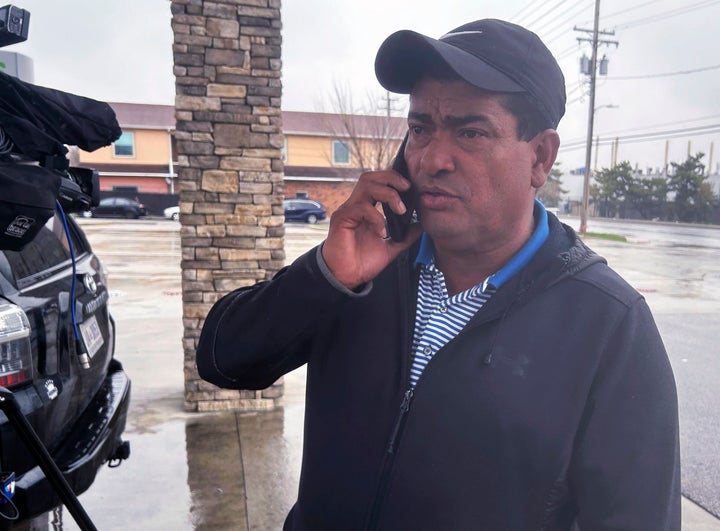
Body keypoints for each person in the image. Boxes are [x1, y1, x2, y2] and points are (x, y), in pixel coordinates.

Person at [196, 19, 680, 530]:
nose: (431, 158)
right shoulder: (362, 271)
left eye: (471, 132)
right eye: (421, 128)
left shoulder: (607, 324)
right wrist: (324, 276)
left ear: (540, 157)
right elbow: (224, 361)